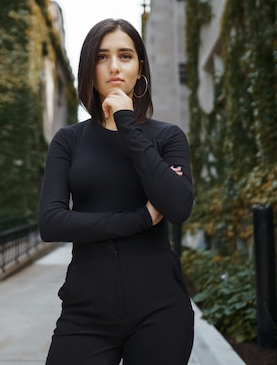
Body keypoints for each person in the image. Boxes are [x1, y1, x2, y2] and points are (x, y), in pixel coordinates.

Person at [38, 18, 195, 365]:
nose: (113, 67)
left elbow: (179, 206)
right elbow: (52, 223)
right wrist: (140, 219)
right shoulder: (69, 141)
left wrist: (126, 121)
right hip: (85, 312)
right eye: (101, 56)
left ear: (140, 69)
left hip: (160, 311)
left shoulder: (167, 138)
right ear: (88, 70)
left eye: (125, 56)